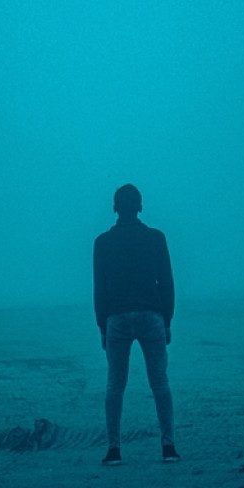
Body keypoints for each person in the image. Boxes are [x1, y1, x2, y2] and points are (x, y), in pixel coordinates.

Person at [93, 184, 178, 465]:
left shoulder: (102, 243)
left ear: (115, 208)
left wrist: (102, 327)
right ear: (140, 207)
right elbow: (166, 282)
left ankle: (114, 450)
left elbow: (100, 289)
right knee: (159, 381)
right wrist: (167, 320)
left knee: (115, 384)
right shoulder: (156, 238)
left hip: (116, 317)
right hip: (151, 315)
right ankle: (168, 447)